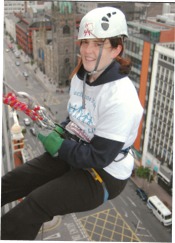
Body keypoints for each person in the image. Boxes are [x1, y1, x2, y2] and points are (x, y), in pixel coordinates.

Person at [1, 7, 143, 240]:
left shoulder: (120, 99)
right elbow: (77, 117)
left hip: (104, 173)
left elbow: (98, 157)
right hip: (76, 149)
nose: (88, 51)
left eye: (99, 44)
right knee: (13, 181)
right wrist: (62, 129)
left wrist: (60, 146)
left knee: (35, 205)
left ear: (117, 49)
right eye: (85, 43)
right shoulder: (81, 75)